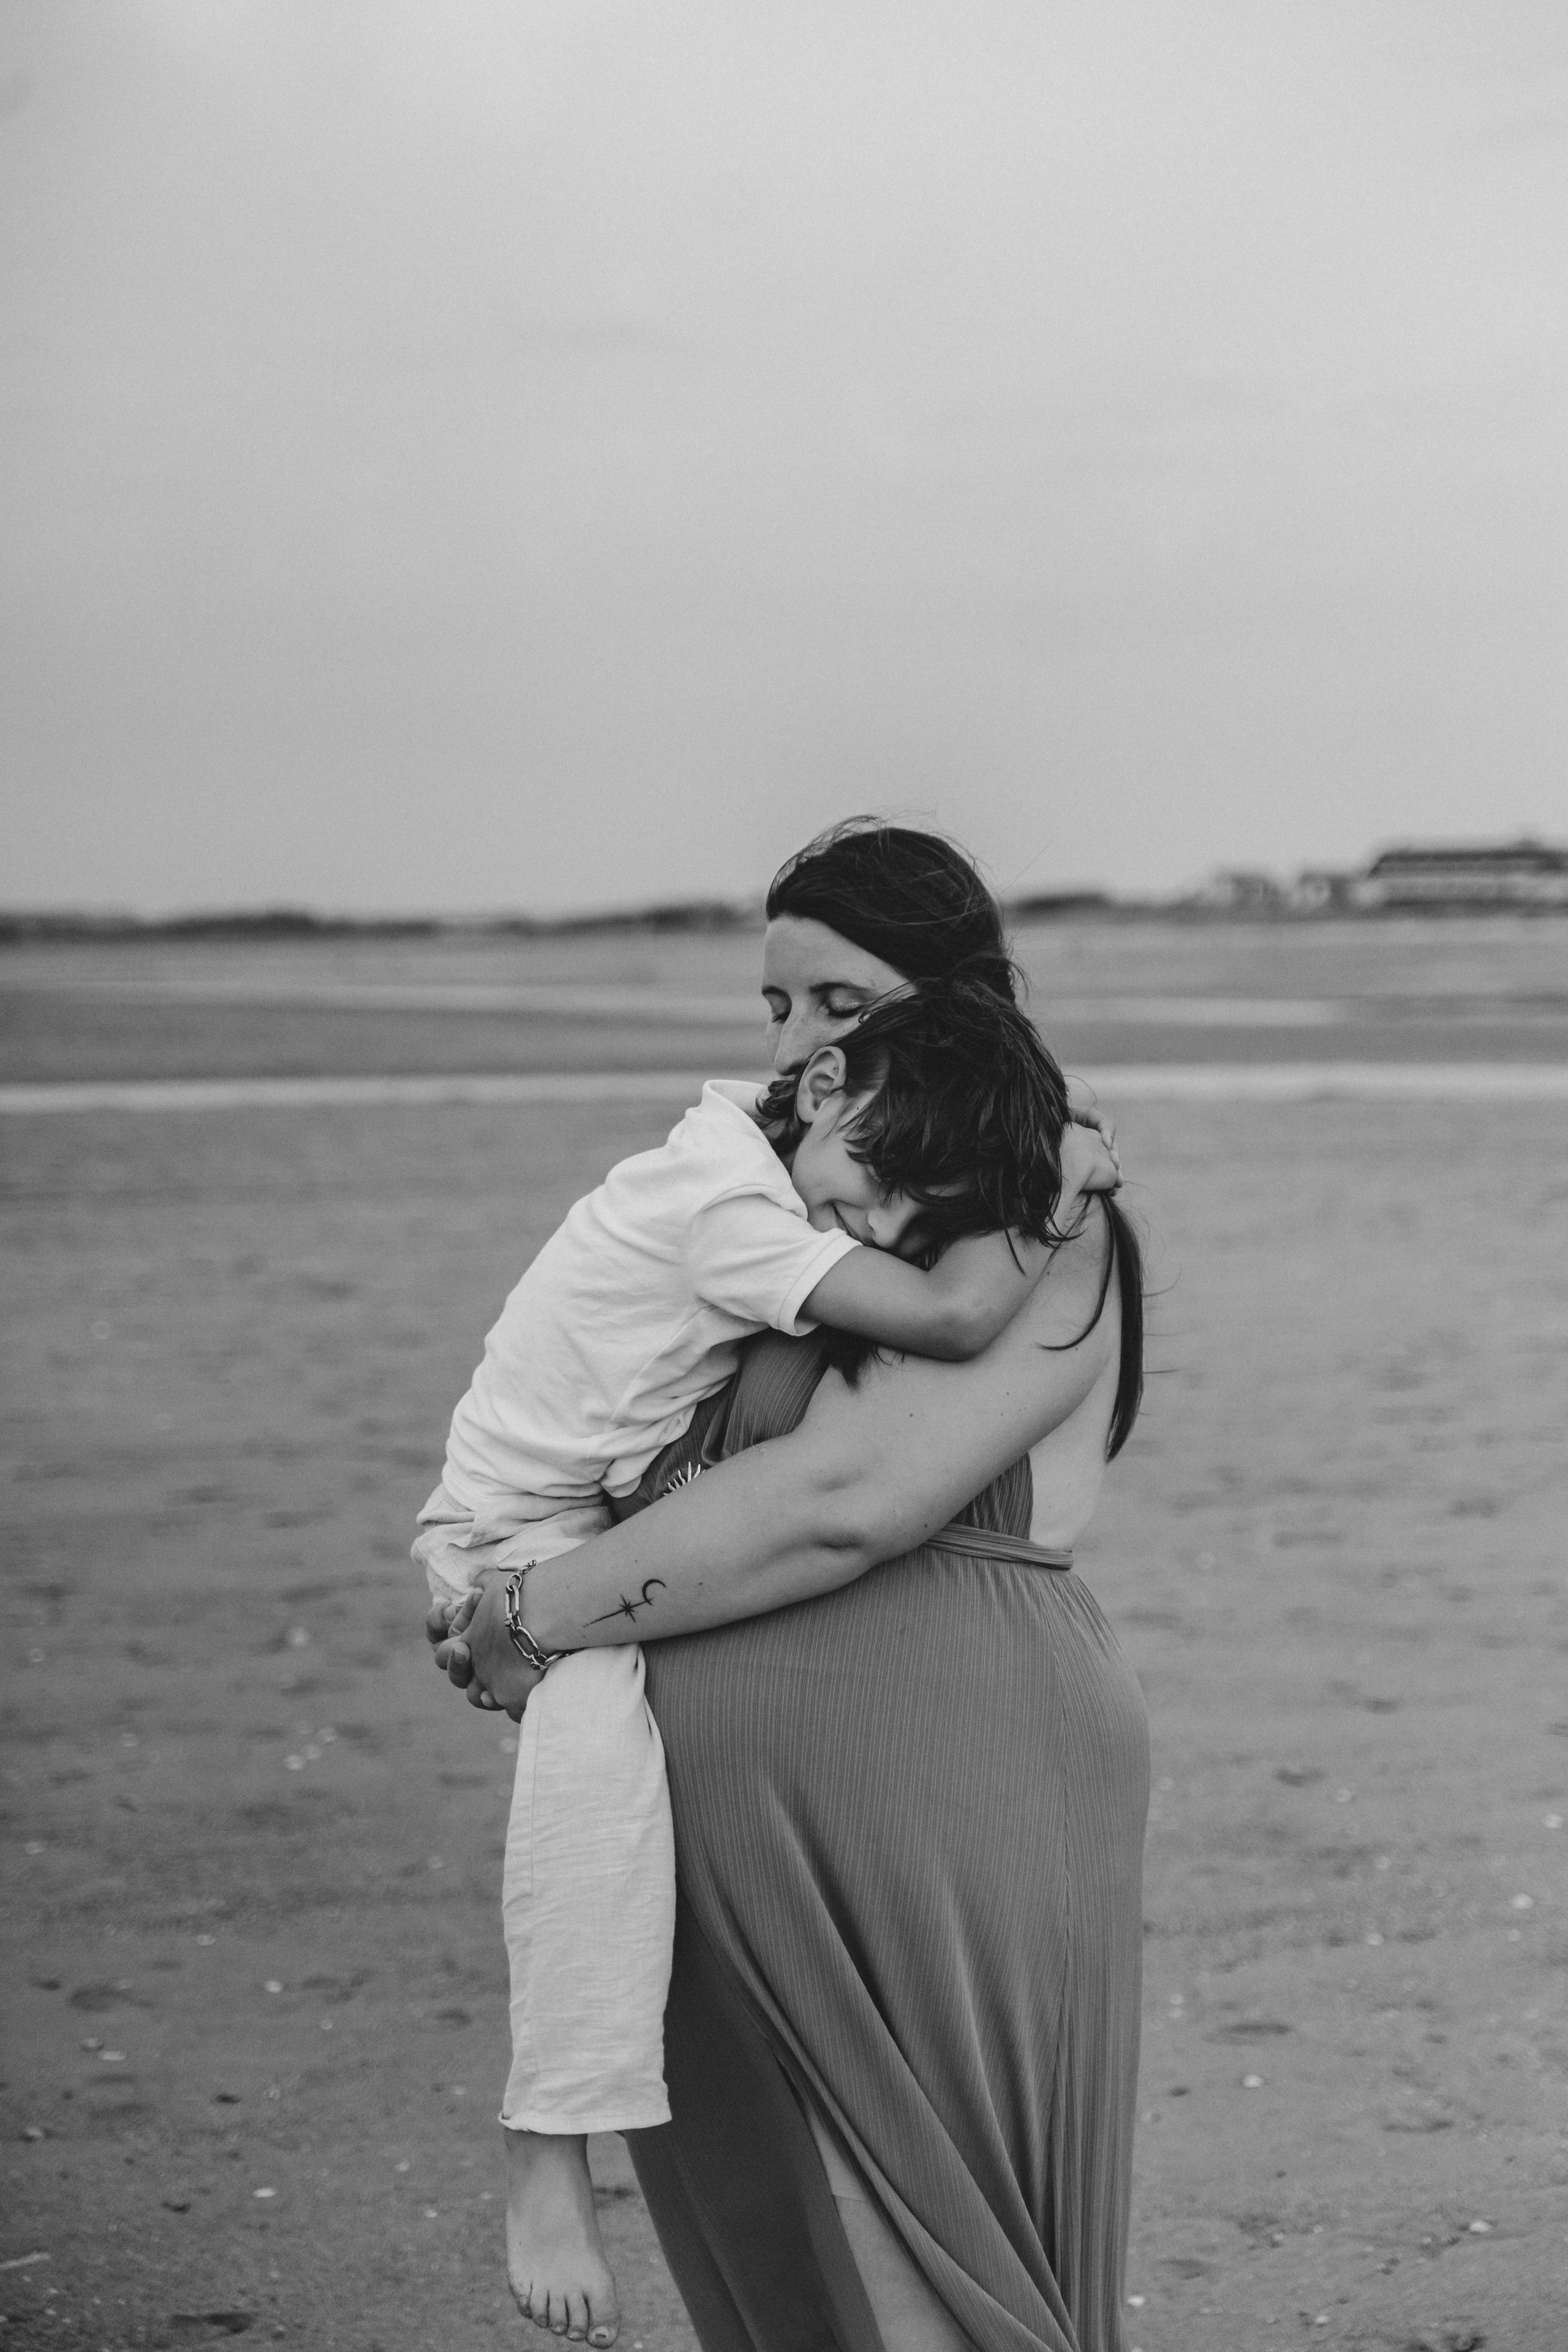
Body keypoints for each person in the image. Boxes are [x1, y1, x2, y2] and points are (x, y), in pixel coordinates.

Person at [434, 819, 1145, 2351]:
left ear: (955, 1002)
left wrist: (536, 1616)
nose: (805, 1045)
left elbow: (840, 1501)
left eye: (845, 1000)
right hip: (719, 1836)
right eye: (782, 1008)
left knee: (924, 2272)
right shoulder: (764, 1201)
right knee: (782, 2286)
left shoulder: (1041, 1219)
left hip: (933, 1809)